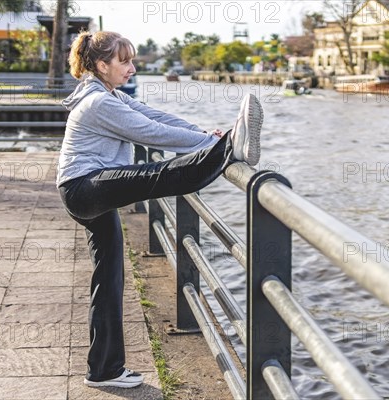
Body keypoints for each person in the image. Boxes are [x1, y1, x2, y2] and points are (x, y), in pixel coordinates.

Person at [57, 31, 263, 389]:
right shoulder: (99, 103)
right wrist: (217, 143)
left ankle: (104, 370)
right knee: (159, 176)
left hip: (84, 190)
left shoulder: (109, 94)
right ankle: (233, 148)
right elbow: (151, 133)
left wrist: (204, 134)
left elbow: (158, 117)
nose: (133, 68)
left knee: (110, 280)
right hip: (84, 188)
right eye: (125, 61)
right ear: (102, 65)